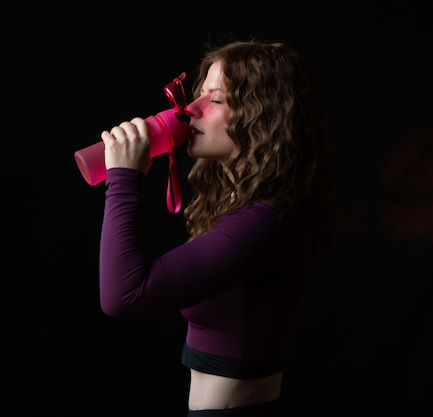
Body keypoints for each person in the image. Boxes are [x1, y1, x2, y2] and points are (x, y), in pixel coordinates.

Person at [97, 39, 339, 417]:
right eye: (199, 94)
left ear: (263, 118)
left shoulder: (264, 222)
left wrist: (125, 179)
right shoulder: (245, 205)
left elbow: (124, 295)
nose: (189, 109)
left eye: (218, 99)